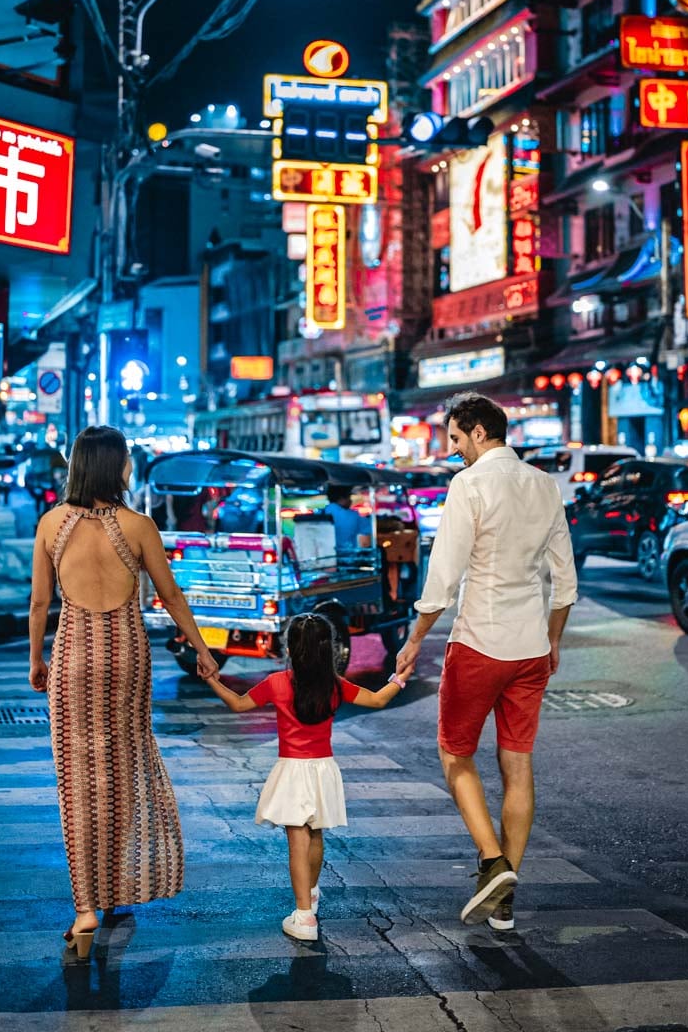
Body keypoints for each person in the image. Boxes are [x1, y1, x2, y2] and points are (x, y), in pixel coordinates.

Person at [29, 425, 219, 959]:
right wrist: (202, 650)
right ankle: (115, 888)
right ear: (114, 467)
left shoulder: (50, 524)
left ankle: (86, 906)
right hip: (125, 654)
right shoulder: (137, 526)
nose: (132, 469)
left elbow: (40, 603)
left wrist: (35, 659)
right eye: (128, 461)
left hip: (72, 654)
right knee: (123, 769)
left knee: (76, 779)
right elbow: (170, 594)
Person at [394, 393, 578, 933]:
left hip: (478, 644)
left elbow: (443, 578)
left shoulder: (469, 485)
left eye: (455, 439)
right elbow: (564, 582)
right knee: (517, 764)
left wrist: (413, 640)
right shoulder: (545, 485)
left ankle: (492, 861)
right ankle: (504, 898)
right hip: (530, 649)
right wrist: (553, 642)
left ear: (478, 432)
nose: (453, 451)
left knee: (454, 754)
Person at [207, 613, 404, 941]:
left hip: (293, 769)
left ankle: (304, 918)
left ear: (292, 648)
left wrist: (212, 679)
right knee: (315, 837)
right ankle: (310, 895)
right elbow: (378, 698)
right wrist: (399, 678)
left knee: (297, 842)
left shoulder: (278, 682)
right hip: (323, 768)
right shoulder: (335, 685)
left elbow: (239, 705)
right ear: (328, 649)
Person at [322, 484, 371, 552]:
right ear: (341, 498)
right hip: (348, 557)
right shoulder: (352, 516)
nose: (351, 501)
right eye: (349, 497)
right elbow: (370, 528)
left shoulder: (322, 514)